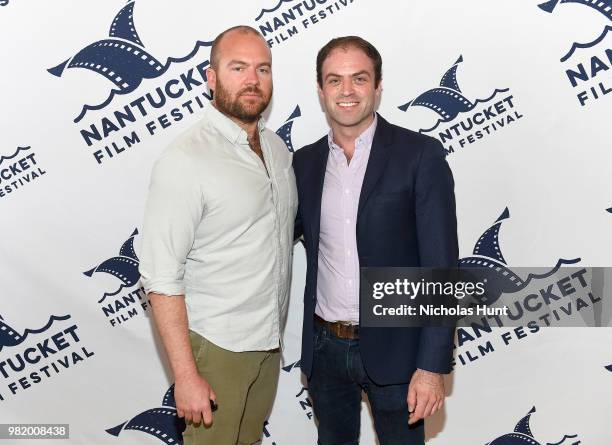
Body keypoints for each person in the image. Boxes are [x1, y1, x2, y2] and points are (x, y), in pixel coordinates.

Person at [292, 36, 458, 445]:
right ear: (320, 89)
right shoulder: (304, 163)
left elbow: (442, 267)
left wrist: (432, 366)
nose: (346, 91)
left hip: (400, 349)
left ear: (378, 86)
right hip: (325, 348)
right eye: (335, 80)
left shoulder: (420, 155)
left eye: (359, 79)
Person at [138, 25, 297, 445]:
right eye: (238, 67)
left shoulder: (278, 150)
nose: (252, 80)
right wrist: (186, 375)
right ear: (212, 78)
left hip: (267, 343)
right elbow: (160, 276)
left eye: (263, 69)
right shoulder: (186, 159)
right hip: (216, 348)